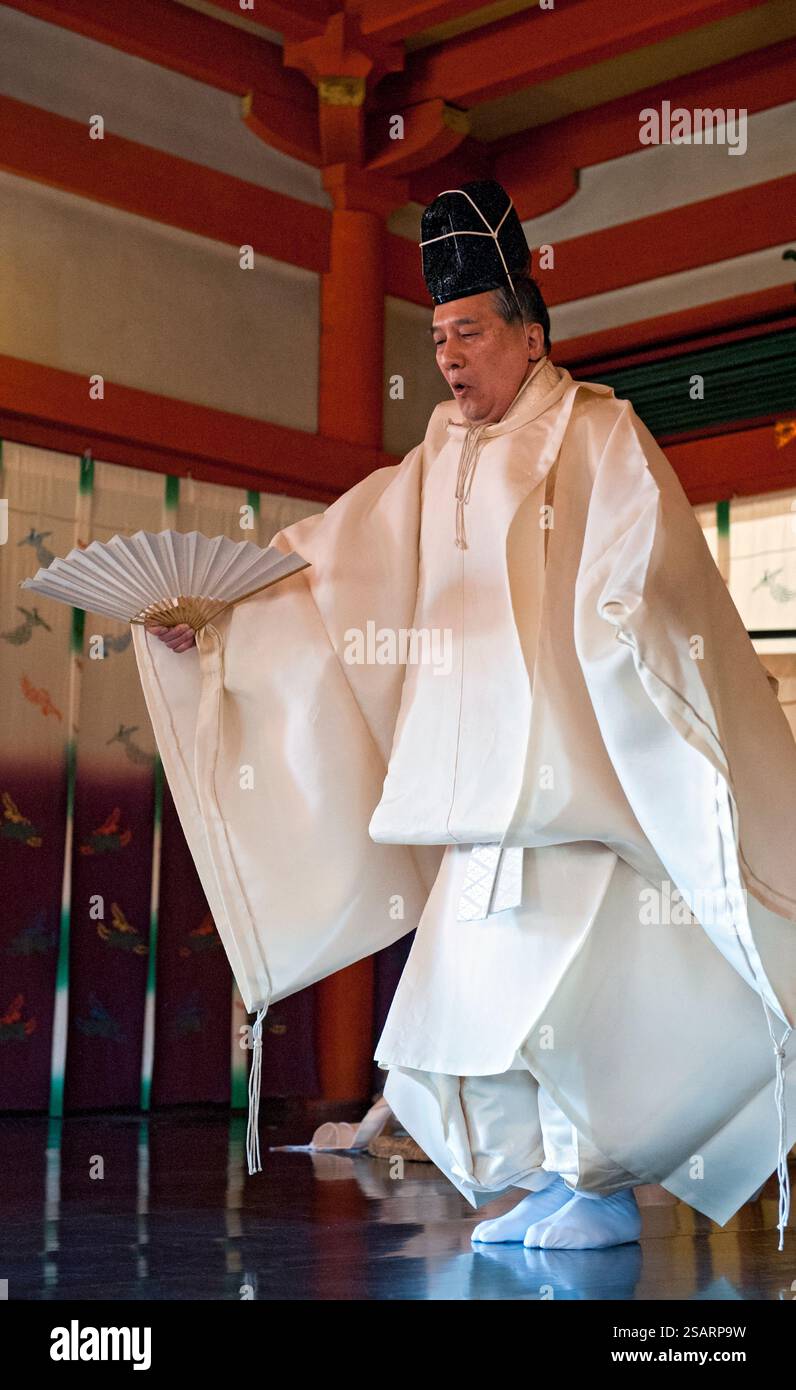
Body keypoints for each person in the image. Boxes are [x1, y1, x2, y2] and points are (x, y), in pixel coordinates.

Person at [140, 180, 795, 1252]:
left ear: (530, 335)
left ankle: (596, 1182)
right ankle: (544, 1175)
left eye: (471, 332)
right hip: (480, 804)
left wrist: (616, 622)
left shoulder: (598, 432)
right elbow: (327, 571)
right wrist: (216, 623)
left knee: (577, 1005)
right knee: (451, 1022)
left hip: (579, 793)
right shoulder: (437, 457)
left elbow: (650, 565)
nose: (448, 356)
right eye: (438, 335)